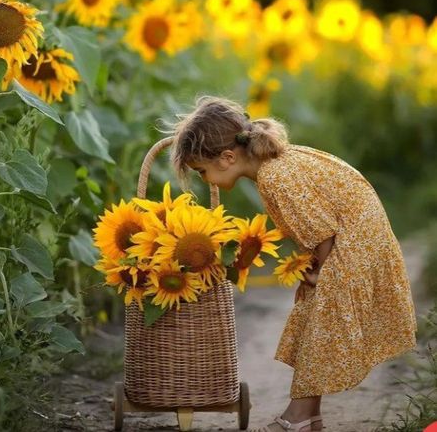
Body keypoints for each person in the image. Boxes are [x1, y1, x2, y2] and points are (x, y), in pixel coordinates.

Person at [162, 94, 418, 432]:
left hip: (354, 245)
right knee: (314, 325)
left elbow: (322, 232)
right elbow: (321, 224)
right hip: (356, 238)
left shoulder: (274, 177)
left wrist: (323, 274)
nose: (205, 179)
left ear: (226, 158)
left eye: (202, 171)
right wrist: (317, 270)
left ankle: (296, 417)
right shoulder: (277, 164)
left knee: (320, 327)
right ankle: (308, 415)